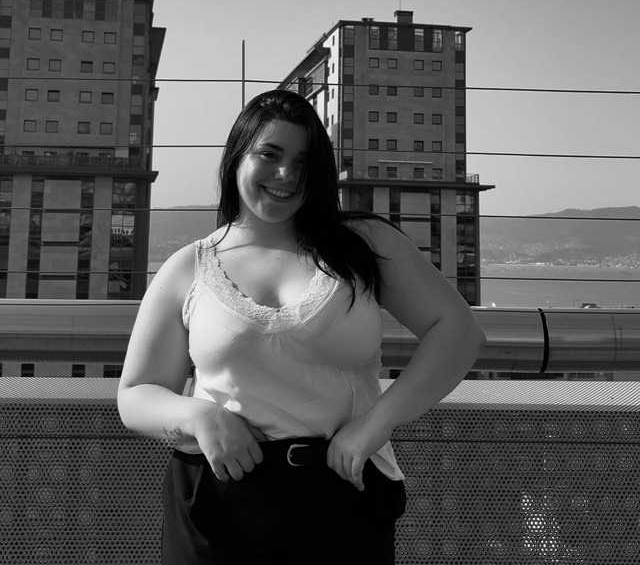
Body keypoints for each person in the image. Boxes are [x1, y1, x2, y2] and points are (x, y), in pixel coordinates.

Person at [117, 89, 485, 565]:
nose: (286, 175)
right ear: (236, 157)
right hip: (216, 503)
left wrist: (374, 425)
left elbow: (458, 333)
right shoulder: (190, 267)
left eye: (303, 162)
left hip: (342, 496)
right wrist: (201, 417)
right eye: (269, 155)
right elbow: (136, 394)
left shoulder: (363, 245)